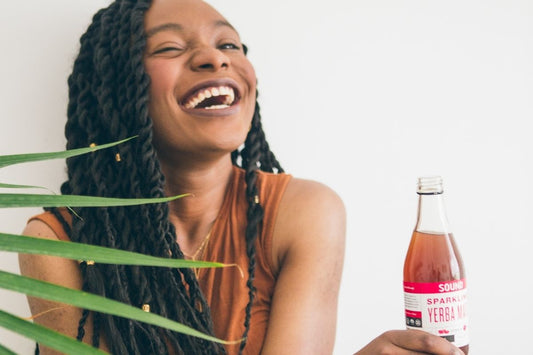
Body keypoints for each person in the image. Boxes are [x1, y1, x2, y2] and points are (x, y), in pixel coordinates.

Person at [18, 0, 465, 354]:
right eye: (170, 48)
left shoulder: (304, 212)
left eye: (229, 45)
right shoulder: (57, 243)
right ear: (117, 90)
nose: (214, 58)